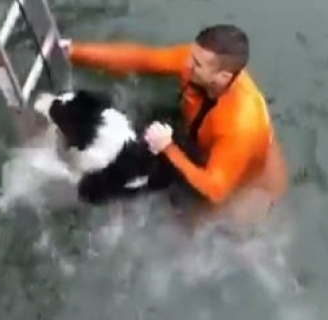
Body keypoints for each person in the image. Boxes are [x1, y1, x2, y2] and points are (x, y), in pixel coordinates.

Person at [59, 24, 288, 214]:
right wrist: (73, 51)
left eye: (197, 63)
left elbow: (215, 190)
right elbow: (141, 60)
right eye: (192, 56)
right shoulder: (197, 63)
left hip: (241, 182)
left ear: (223, 76)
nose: (187, 64)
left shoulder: (239, 125)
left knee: (192, 223)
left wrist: (168, 148)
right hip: (198, 140)